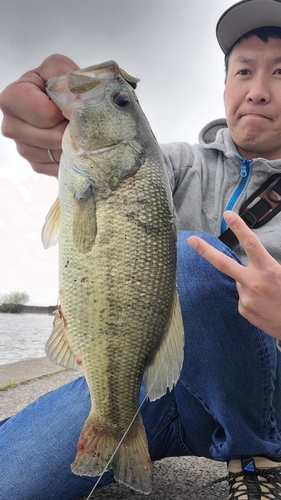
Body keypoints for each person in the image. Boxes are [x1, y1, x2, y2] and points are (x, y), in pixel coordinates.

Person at [2, 0, 281, 498]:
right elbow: (74, 147)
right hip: (148, 386)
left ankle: (254, 454)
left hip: (261, 401)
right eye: (243, 71)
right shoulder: (163, 162)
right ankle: (123, 429)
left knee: (192, 257)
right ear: (225, 85)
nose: (257, 91)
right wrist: (52, 104)